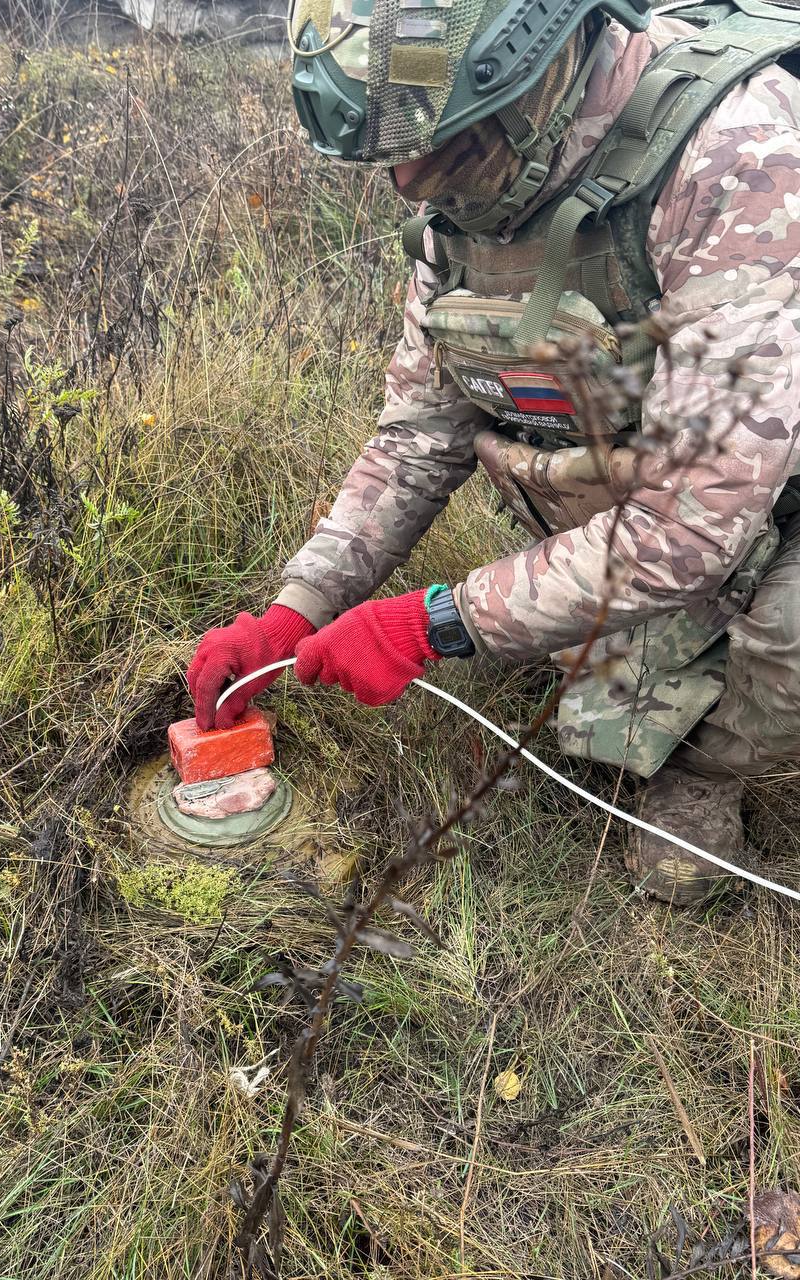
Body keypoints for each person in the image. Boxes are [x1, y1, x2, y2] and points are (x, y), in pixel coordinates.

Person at [188, 0, 800, 906]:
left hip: (756, 491)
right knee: (609, 675)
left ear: (538, 71)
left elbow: (688, 526)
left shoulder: (735, 155)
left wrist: (431, 626)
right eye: (393, 158)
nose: (408, 184)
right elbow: (419, 434)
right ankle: (652, 645)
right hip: (649, 489)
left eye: (441, 152)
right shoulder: (465, 180)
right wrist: (297, 608)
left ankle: (709, 773)